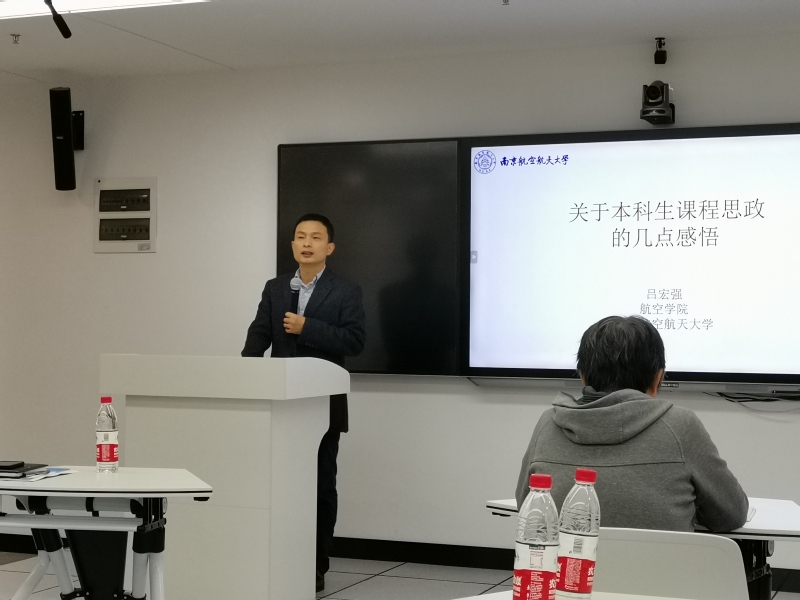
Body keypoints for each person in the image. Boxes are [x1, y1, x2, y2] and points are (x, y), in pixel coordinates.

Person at [515, 315, 748, 533]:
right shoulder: (681, 426)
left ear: (582, 376)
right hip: (662, 565)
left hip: (567, 565)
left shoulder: (549, 423)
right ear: (658, 378)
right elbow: (731, 515)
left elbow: (527, 505)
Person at [242, 213, 366, 592]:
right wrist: (245, 375)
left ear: (329, 247)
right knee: (279, 486)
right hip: (281, 405)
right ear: (293, 245)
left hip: (323, 405)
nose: (307, 243)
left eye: (315, 237)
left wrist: (306, 327)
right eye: (300, 237)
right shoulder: (276, 288)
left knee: (320, 487)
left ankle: (315, 566)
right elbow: (258, 337)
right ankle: (280, 559)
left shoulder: (345, 290)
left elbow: (355, 341)